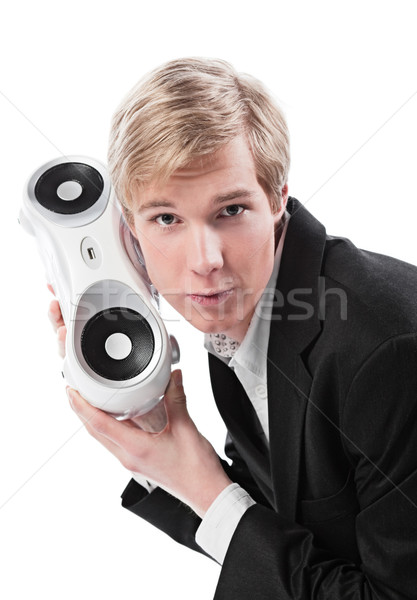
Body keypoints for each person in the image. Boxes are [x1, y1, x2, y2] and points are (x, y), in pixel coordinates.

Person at [48, 58, 417, 599]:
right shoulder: (242, 313)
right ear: (129, 233)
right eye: (167, 219)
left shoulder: (385, 355)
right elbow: (279, 528)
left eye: (230, 210)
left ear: (277, 198)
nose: (205, 260)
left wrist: (204, 485)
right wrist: (157, 442)